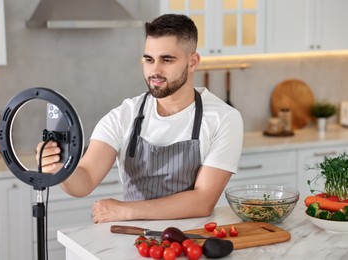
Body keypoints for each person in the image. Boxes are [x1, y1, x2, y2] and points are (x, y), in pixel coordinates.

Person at [37, 14, 243, 223]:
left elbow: (202, 201)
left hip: (193, 242)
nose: (155, 70)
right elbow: (85, 180)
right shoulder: (123, 116)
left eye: (167, 60)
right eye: (149, 59)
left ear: (192, 62)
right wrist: (61, 169)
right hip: (135, 243)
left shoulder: (224, 118)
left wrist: (125, 211)